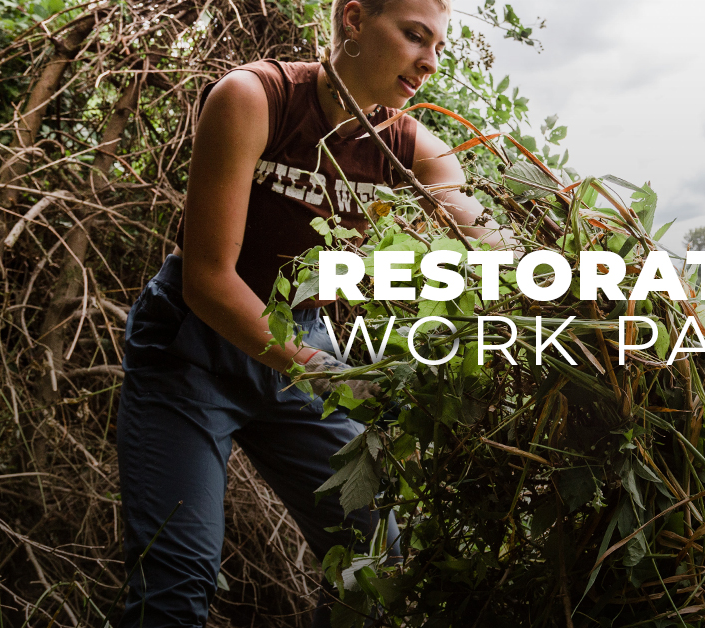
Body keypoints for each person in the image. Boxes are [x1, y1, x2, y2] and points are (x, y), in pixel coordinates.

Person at [116, 0, 507, 624]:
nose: (429, 63)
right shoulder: (253, 98)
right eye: (414, 36)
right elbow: (208, 282)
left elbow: (492, 246)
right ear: (353, 19)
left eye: (438, 48)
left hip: (299, 347)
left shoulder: (414, 149)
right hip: (192, 350)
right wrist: (327, 376)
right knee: (177, 578)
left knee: (374, 564)